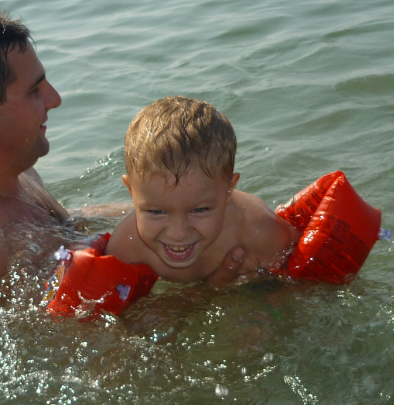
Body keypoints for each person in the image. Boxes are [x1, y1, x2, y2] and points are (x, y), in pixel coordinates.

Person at [0, 10, 245, 299]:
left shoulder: (5, 169)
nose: (55, 99)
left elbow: (65, 226)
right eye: (34, 90)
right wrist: (210, 290)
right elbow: (55, 347)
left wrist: (178, 208)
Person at [106, 96, 301, 284]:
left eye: (199, 210)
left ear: (229, 189)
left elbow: (293, 287)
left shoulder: (261, 233)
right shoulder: (125, 248)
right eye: (156, 212)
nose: (178, 234)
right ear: (131, 190)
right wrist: (210, 291)